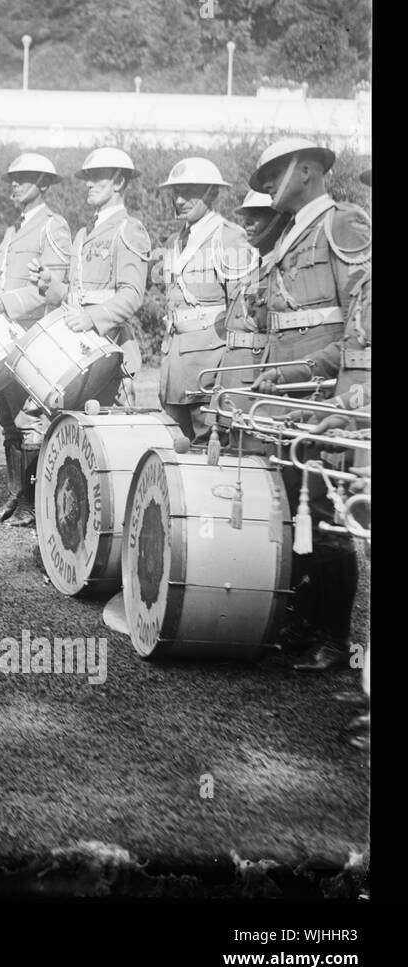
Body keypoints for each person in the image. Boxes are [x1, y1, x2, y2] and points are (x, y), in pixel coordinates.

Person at [248, 138, 371, 673]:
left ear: (309, 170)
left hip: (326, 397)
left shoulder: (343, 223)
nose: (268, 183)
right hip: (287, 397)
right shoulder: (290, 232)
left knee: (326, 517)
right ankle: (301, 619)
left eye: (276, 171)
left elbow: (361, 324)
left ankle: (333, 637)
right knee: (292, 507)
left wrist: (345, 394)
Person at [0, 154, 72, 526]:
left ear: (44, 184)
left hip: (32, 340)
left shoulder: (52, 227)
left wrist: (2, 302)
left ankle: (31, 503)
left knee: (30, 425)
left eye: (24, 178)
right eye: (13, 178)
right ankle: (15, 497)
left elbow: (49, 289)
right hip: (3, 341)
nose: (15, 184)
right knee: (9, 424)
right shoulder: (12, 230)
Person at [37, 147, 151, 406]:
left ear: (119, 182)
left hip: (111, 352)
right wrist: (50, 284)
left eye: (97, 176)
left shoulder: (129, 229)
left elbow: (132, 295)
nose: (88, 184)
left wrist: (91, 318)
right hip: (78, 354)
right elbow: (75, 295)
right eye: (88, 177)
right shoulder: (82, 234)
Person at [151, 158, 255, 444]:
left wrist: (231, 378)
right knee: (175, 446)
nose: (180, 200)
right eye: (176, 192)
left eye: (189, 192)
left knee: (208, 447)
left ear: (212, 193)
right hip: (175, 361)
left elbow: (244, 314)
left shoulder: (228, 237)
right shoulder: (175, 241)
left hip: (210, 366)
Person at [218, 190, 286, 380]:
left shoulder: (282, 267)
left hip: (258, 373)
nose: (247, 222)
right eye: (246, 216)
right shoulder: (251, 266)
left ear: (279, 219)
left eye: (256, 215)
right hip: (231, 370)